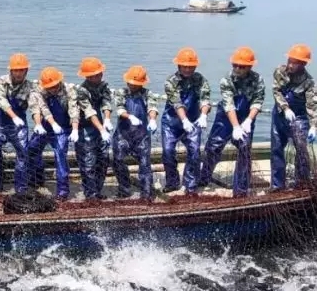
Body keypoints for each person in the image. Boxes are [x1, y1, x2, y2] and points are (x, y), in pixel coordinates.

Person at [199, 47, 265, 197]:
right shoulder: (226, 80)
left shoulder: (258, 80)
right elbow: (229, 105)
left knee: (244, 148)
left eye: (241, 66)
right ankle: (204, 178)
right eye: (235, 65)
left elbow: (258, 101)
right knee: (213, 147)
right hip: (226, 117)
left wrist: (248, 120)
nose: (237, 68)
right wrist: (235, 127)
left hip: (246, 117)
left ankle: (241, 189)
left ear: (250, 66)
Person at [162, 48, 211, 195]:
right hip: (171, 123)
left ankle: (190, 185)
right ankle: (172, 182)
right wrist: (184, 120)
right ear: (179, 66)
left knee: (194, 152)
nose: (188, 69)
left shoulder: (201, 80)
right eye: (184, 66)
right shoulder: (170, 82)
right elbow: (177, 103)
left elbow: (205, 99)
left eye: (191, 66)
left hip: (194, 121)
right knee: (168, 151)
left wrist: (203, 115)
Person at [28, 67, 80, 201]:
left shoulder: (69, 89)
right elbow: (40, 108)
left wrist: (75, 129)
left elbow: (74, 109)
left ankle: (63, 191)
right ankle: (37, 179)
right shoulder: (37, 91)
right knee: (32, 149)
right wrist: (38, 124)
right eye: (50, 87)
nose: (53, 89)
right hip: (45, 126)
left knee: (60, 156)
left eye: (55, 86)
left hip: (62, 129)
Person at [271, 43, 317, 190]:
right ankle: (277, 186)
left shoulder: (309, 83)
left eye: (295, 63)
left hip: (299, 118)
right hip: (280, 114)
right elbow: (276, 91)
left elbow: (312, 106)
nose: (290, 65)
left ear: (303, 64)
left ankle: (301, 184)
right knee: (277, 148)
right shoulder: (280, 71)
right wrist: (285, 108)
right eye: (289, 61)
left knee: (302, 149)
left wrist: (314, 126)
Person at [112, 66, 157, 201]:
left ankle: (146, 193)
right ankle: (124, 189)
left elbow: (152, 107)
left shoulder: (147, 94)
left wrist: (153, 119)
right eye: (130, 83)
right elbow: (119, 109)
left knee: (144, 163)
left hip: (141, 135)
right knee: (118, 160)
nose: (132, 85)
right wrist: (129, 116)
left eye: (136, 84)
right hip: (123, 134)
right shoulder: (121, 92)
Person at [72, 57, 113, 200]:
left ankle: (97, 190)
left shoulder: (104, 86)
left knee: (103, 158)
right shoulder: (81, 91)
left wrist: (107, 119)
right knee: (88, 162)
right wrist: (102, 130)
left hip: (100, 125)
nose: (96, 77)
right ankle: (90, 194)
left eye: (98, 74)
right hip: (85, 128)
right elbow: (89, 112)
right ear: (87, 76)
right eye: (92, 75)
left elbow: (106, 103)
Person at [0, 53, 34, 194]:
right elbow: (2, 101)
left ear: (26, 71)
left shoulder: (30, 86)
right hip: (0, 123)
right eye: (16, 70)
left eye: (21, 70)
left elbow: (34, 105)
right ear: (11, 70)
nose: (18, 73)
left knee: (23, 153)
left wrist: (38, 122)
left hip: (19, 126)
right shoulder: (1, 81)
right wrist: (13, 116)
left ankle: (21, 188)